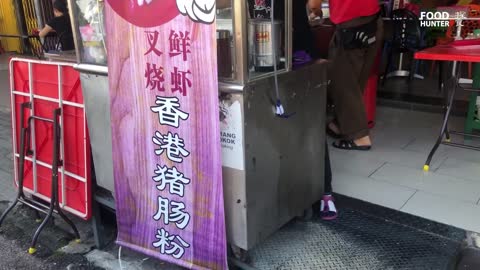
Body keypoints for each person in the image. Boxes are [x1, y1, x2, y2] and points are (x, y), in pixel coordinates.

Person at [308, 0, 383, 151]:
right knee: (356, 79)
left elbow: (314, 4)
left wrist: (315, 11)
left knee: (342, 81)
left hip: (351, 28)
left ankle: (359, 137)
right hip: (374, 22)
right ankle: (340, 124)